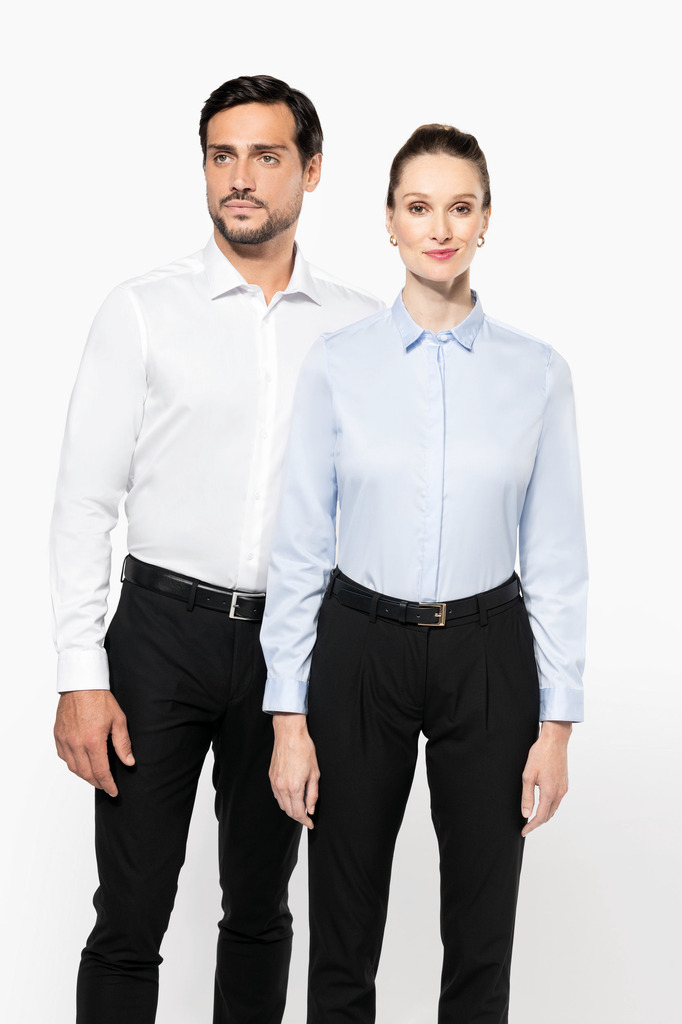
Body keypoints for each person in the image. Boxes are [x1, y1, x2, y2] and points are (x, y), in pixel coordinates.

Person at [50, 74, 383, 1024]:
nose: (240, 177)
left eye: (266, 156)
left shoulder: (360, 331)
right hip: (159, 634)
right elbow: (83, 504)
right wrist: (81, 675)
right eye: (221, 155)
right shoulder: (141, 310)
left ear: (311, 172)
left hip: (290, 648)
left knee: (261, 910)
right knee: (129, 915)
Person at [260, 123, 588, 1023]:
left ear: (486, 220)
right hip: (360, 649)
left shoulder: (538, 374)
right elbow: (300, 546)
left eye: (459, 207)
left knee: (482, 940)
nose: (439, 228)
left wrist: (557, 725)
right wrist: (287, 715)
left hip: (487, 654)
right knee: (342, 933)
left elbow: (557, 558)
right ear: (389, 222)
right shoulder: (338, 365)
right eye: (418, 207)